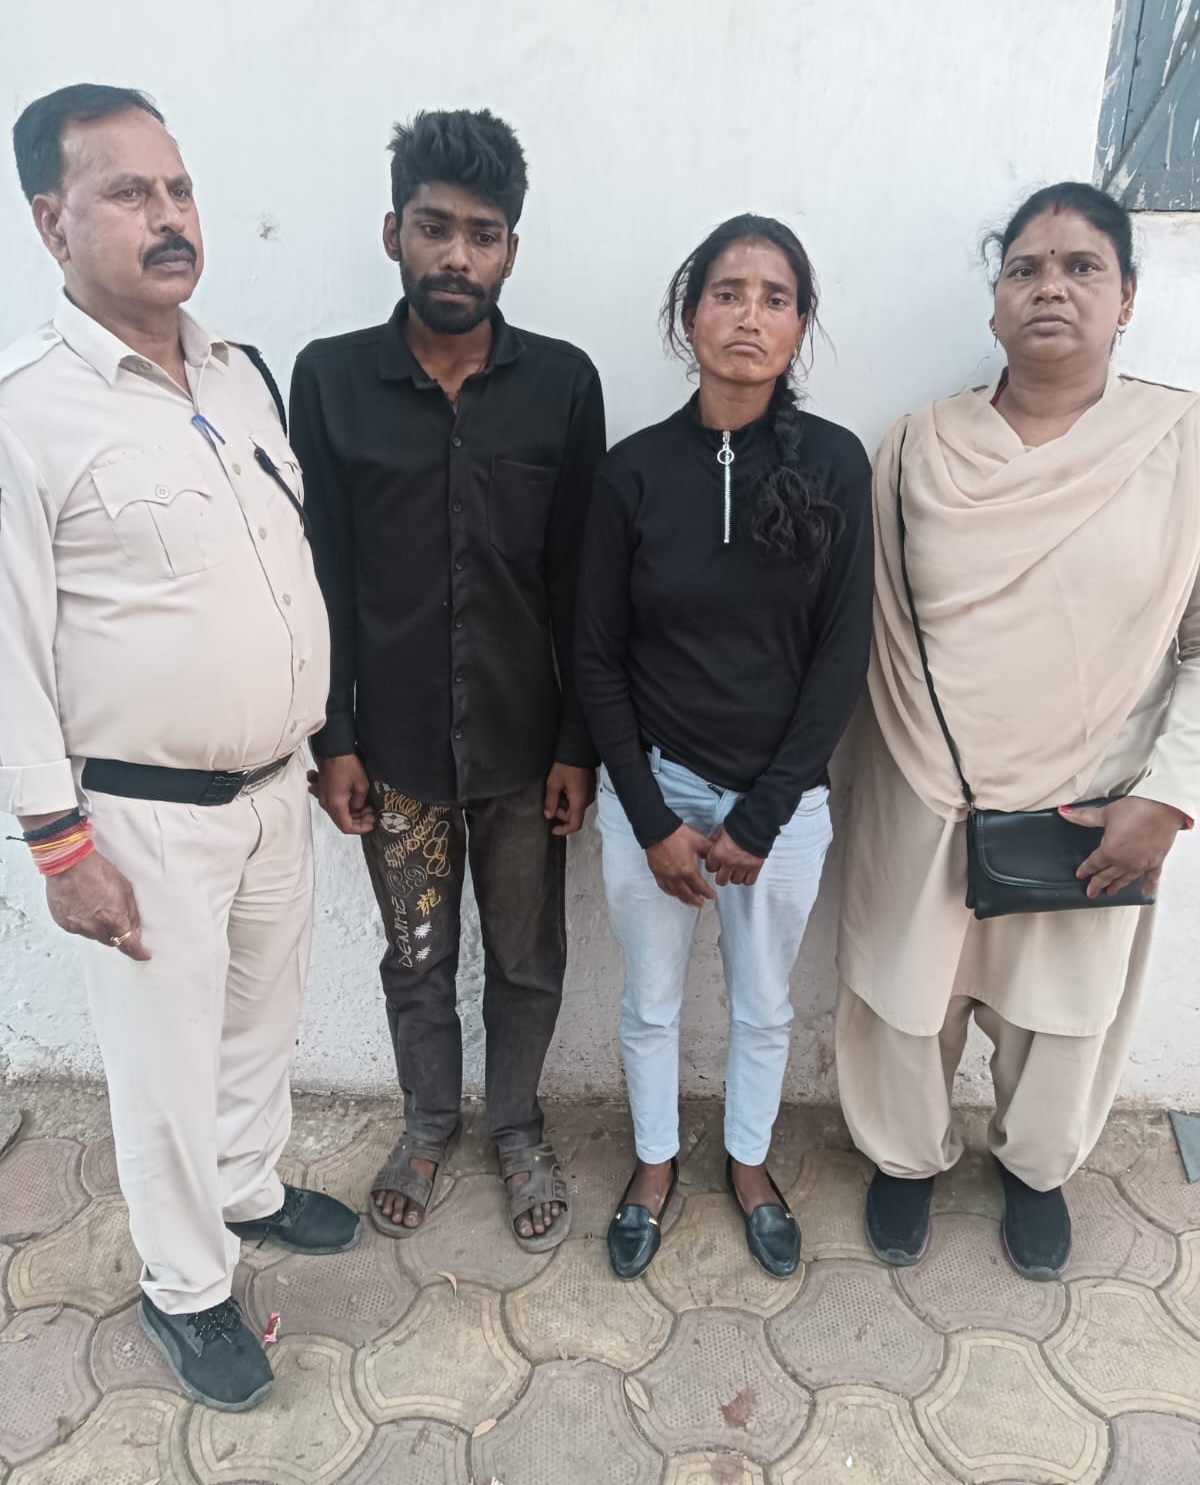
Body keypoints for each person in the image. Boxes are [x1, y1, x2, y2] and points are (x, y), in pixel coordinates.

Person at [0, 84, 359, 1411]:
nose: (168, 217)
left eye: (180, 189)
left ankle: (246, 1188)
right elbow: (7, 649)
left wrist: (319, 744)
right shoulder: (26, 412)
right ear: (53, 221)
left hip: (273, 791)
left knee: (261, 1022)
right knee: (163, 1072)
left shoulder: (238, 373)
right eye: (128, 193)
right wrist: (59, 846)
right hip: (141, 819)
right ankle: (185, 1286)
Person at [837, 181, 1200, 1280]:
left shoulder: (1182, 443)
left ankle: (1036, 1170)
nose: (1051, 288)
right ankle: (904, 1156)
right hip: (922, 775)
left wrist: (1169, 794)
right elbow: (873, 624)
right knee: (908, 996)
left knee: (1063, 1013)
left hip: (1097, 797)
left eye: (1082, 267)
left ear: (1127, 297)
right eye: (1025, 269)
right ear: (994, 302)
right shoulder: (916, 446)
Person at [290, 109, 605, 1252]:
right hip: (397, 751)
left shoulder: (562, 384)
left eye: (483, 233)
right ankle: (428, 1122)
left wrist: (578, 744)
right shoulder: (331, 381)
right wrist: (334, 738)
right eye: (434, 227)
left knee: (527, 956)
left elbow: (581, 584)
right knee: (417, 954)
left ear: (512, 249)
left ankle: (516, 1126)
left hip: (526, 750)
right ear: (394, 234)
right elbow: (319, 571)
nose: (457, 255)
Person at [576, 214, 874, 1280]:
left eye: (775, 297)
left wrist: (762, 816)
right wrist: (653, 817)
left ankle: (749, 1164)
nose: (750, 315)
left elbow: (843, 656)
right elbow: (596, 656)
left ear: (800, 324)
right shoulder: (633, 471)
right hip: (653, 792)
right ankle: (654, 1165)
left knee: (765, 1006)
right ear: (688, 313)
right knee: (650, 1003)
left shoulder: (836, 464)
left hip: (781, 808)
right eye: (728, 292)